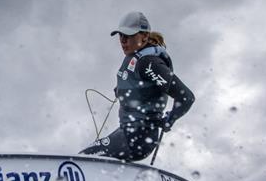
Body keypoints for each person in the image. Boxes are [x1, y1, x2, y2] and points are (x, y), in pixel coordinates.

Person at [80, 11, 195, 162]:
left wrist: (170, 119)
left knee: (84, 157)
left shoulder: (148, 63)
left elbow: (186, 97)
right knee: (88, 156)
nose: (123, 41)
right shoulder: (135, 58)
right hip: (128, 133)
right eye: (121, 36)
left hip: (139, 137)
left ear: (144, 37)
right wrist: (122, 91)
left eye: (128, 36)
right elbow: (142, 88)